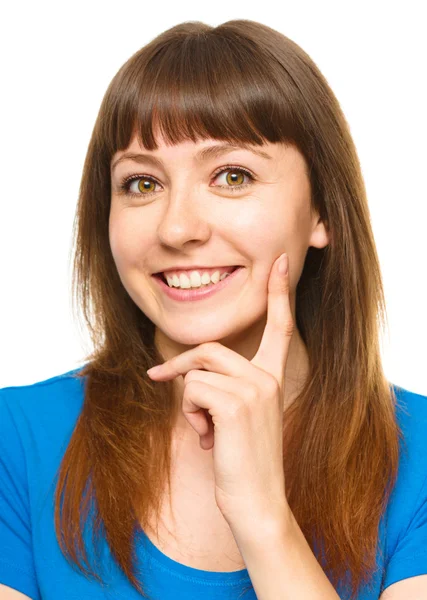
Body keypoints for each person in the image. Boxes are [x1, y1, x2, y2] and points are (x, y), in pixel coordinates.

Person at [1, 18, 426, 600]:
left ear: (322, 212)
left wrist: (261, 515)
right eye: (142, 184)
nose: (177, 228)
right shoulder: (18, 442)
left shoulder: (419, 459)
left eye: (232, 175)